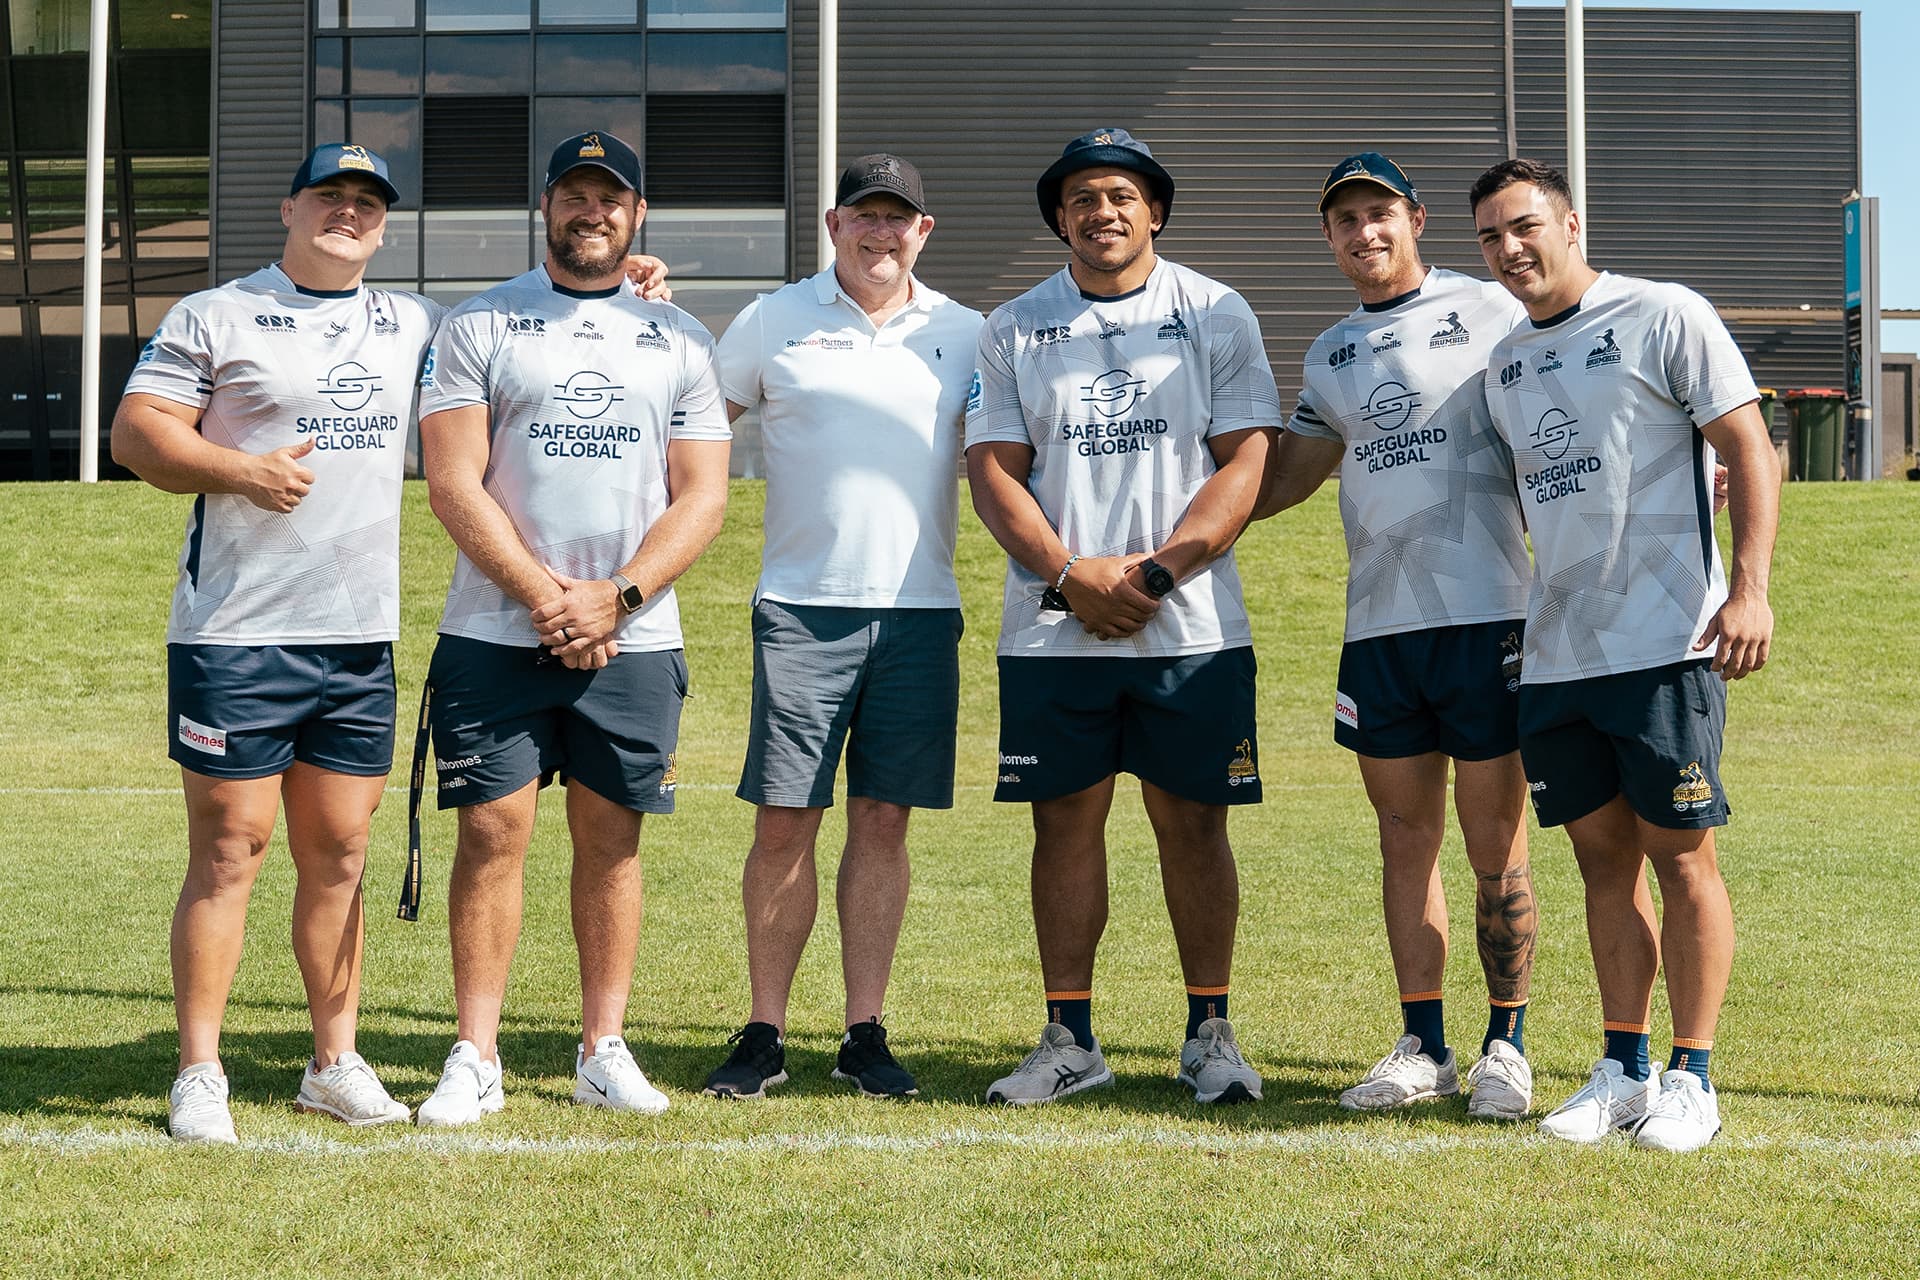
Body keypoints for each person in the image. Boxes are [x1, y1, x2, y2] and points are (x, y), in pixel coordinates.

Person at [111, 143, 433, 1142]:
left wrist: (639, 287)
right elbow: (135, 433)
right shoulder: (218, 311)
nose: (348, 212)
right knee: (230, 849)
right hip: (238, 635)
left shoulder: (412, 320)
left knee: (339, 854)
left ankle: (332, 1061)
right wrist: (240, 471)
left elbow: (518, 349)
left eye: (367, 203)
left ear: (383, 226)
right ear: (289, 206)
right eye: (330, 196)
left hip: (357, 636)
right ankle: (200, 1070)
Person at [413, 129, 731, 1127]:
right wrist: (549, 596)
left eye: (611, 198)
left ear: (637, 217)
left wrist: (616, 598)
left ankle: (603, 1046)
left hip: (632, 638)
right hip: (496, 632)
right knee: (491, 835)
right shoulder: (480, 323)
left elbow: (702, 495)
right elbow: (453, 481)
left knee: (613, 842)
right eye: (574, 195)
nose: (591, 212)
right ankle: (476, 1054)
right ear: (544, 207)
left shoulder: (682, 338)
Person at [965, 128, 1279, 1106]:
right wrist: (1070, 574)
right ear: (1060, 217)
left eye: (1122, 195)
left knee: (1194, 823)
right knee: (1063, 825)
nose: (1103, 211)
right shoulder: (1013, 325)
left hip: (1189, 627)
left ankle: (1210, 1031)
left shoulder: (1215, 311)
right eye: (1082, 198)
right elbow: (992, 474)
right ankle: (1070, 1037)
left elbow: (1247, 459)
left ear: (1156, 210)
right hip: (1055, 630)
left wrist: (1153, 572)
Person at [1471, 158, 1779, 1152]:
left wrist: (1750, 587)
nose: (1510, 249)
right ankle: (1623, 1064)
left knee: (1683, 859)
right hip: (1559, 657)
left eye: (1525, 226)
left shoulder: (1662, 313)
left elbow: (1748, 447)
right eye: (1490, 237)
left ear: (1567, 220)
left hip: (1666, 644)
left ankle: (1693, 1073)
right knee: (1602, 865)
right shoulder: (1505, 366)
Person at [1254, 153, 1538, 1119]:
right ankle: (1425, 1045)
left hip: (1488, 616)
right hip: (1380, 629)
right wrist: (1172, 525)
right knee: (1403, 842)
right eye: (1343, 221)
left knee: (1495, 846)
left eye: (1379, 213)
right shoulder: (1330, 353)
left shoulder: (1493, 308)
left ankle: (1508, 1043)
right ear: (1328, 238)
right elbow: (1286, 478)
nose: (1363, 233)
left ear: (1416, 218)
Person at [700, 154, 982, 1100]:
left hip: (920, 613)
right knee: (786, 822)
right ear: (833, 224)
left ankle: (865, 1031)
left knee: (884, 821)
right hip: (801, 610)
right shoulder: (774, 320)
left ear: (923, 231)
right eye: (864, 215)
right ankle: (764, 1033)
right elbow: (693, 422)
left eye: (898, 218)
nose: (881, 233)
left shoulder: (968, 333)